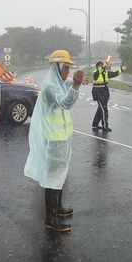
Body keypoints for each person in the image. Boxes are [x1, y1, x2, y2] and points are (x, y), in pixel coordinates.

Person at [24, 49, 88, 233]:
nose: (68, 72)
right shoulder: (51, 86)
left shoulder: (59, 82)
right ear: (58, 67)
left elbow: (67, 83)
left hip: (62, 138)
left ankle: (58, 209)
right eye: (66, 68)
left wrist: (77, 81)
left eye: (69, 68)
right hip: (54, 140)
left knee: (60, 174)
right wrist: (76, 85)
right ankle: (50, 219)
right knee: (53, 178)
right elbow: (65, 103)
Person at [91, 61, 125, 132]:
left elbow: (114, 73)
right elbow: (95, 76)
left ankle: (95, 124)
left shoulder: (105, 72)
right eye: (101, 65)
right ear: (98, 67)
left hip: (105, 92)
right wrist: (102, 67)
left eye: (103, 65)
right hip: (98, 92)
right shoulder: (95, 72)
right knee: (104, 109)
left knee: (100, 109)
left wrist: (121, 70)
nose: (103, 66)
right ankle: (105, 126)